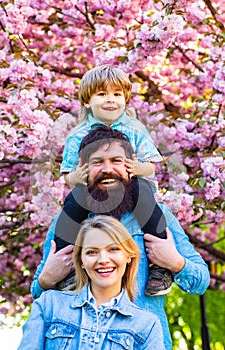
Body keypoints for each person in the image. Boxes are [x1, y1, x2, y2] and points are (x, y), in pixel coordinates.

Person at [31, 126, 210, 350]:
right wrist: (46, 279)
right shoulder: (66, 222)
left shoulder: (157, 215)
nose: (108, 169)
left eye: (116, 160)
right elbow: (37, 294)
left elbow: (201, 281)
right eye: (97, 162)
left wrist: (175, 262)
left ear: (131, 165)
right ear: (83, 169)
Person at [56, 64, 171, 296]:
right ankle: (64, 266)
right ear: (88, 101)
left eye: (117, 94)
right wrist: (77, 177)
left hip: (133, 185)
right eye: (102, 94)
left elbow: (151, 165)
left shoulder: (135, 129)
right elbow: (69, 174)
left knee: (145, 198)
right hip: (93, 189)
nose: (111, 100)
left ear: (126, 99)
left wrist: (138, 168)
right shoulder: (77, 135)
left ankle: (160, 266)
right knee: (71, 206)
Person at [18, 216, 164, 350]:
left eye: (113, 249)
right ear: (81, 261)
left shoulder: (147, 325)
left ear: (128, 256)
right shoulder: (49, 305)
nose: (103, 260)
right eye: (92, 252)